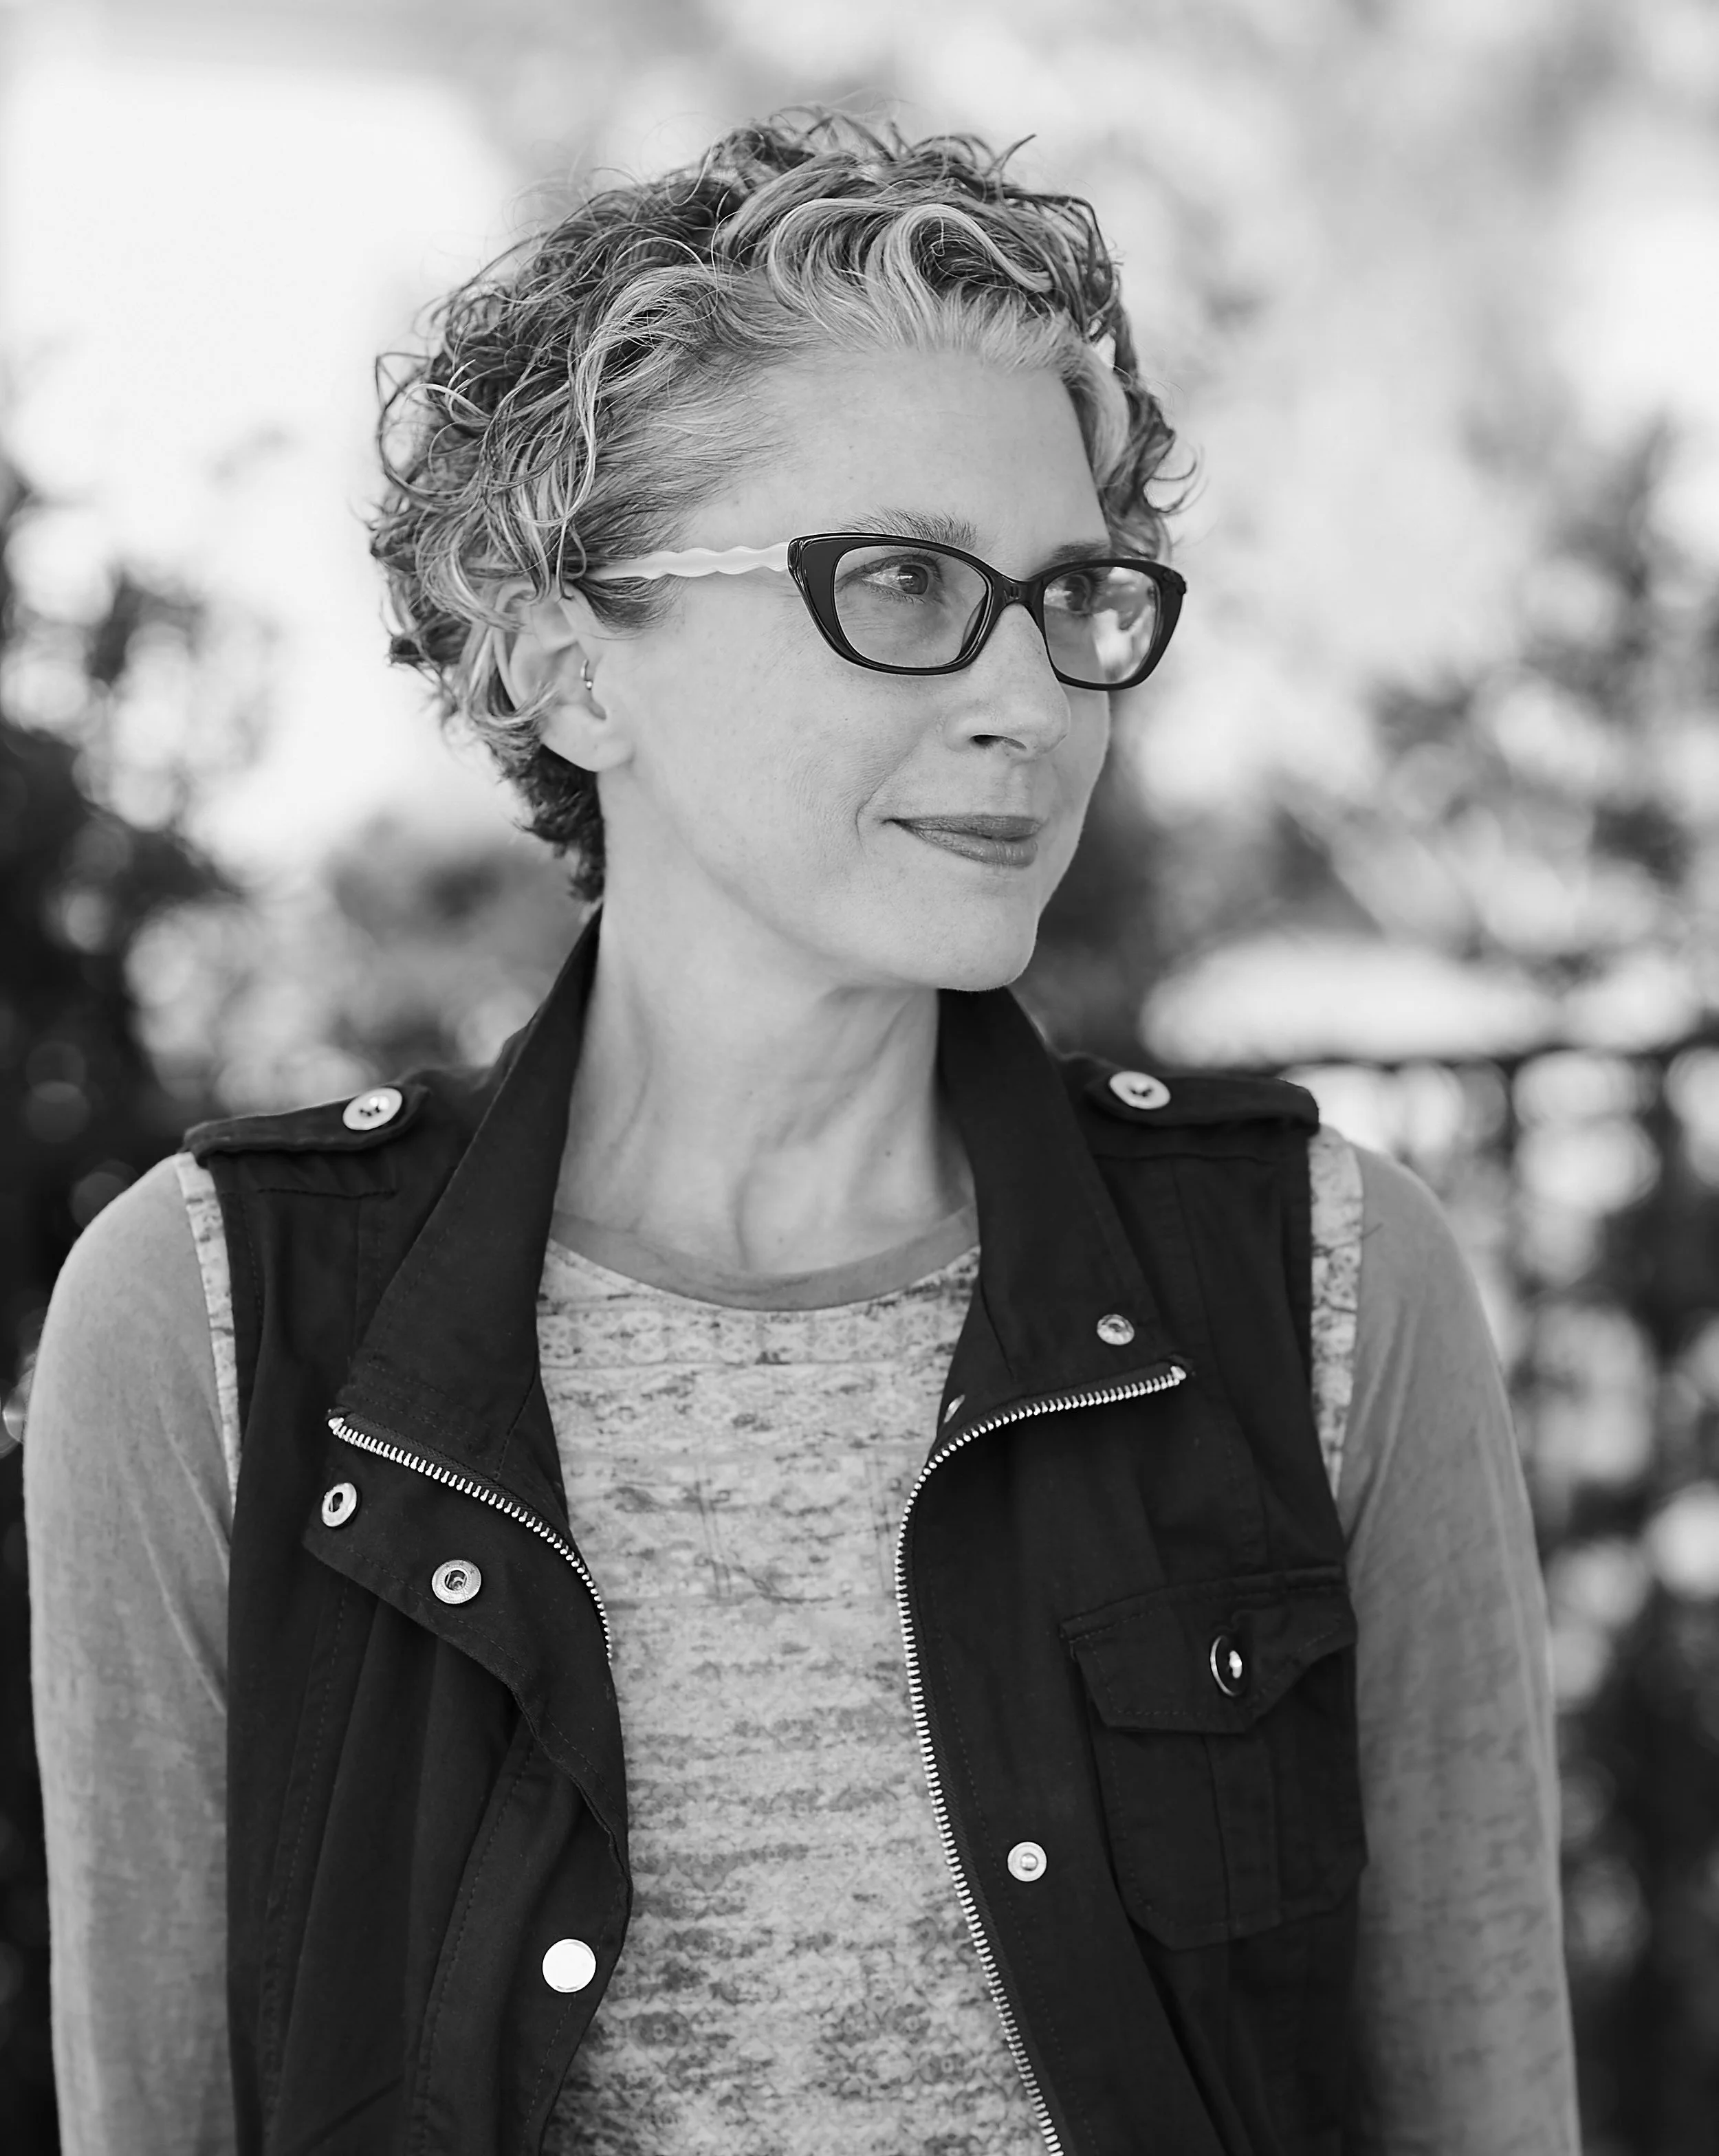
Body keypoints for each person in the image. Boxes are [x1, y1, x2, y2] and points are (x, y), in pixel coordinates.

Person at [26, 114, 1577, 2155]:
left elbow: (1485, 2101)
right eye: (902, 583)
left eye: (1072, 596)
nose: (1034, 698)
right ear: (566, 666)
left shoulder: (1325, 1279)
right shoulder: (209, 1319)